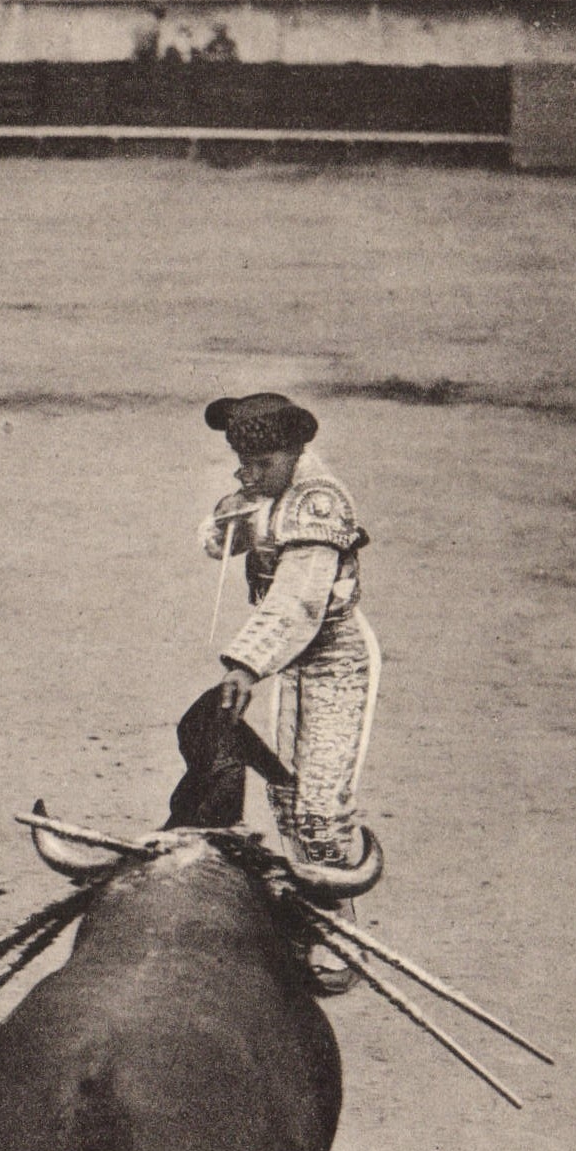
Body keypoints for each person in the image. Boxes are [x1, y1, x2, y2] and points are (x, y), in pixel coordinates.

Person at [200, 392, 380, 989]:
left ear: (296, 451)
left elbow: (299, 600)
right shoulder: (271, 490)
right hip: (289, 665)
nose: (249, 473)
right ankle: (310, 920)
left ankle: (343, 933)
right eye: (241, 462)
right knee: (287, 797)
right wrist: (240, 507)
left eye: (260, 463)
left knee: (322, 806)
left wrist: (246, 665)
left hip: (333, 656)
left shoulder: (320, 501)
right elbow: (213, 541)